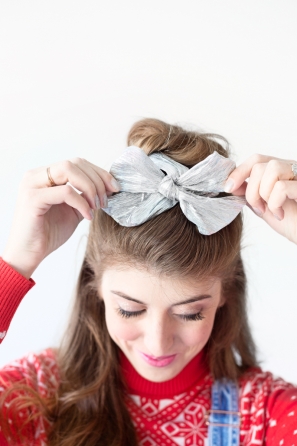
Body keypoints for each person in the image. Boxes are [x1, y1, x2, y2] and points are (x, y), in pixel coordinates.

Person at [0, 118, 296, 446]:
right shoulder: (33, 397)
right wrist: (16, 261)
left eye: (189, 313)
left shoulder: (266, 416)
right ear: (95, 286)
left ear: (225, 292)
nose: (157, 344)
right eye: (129, 310)